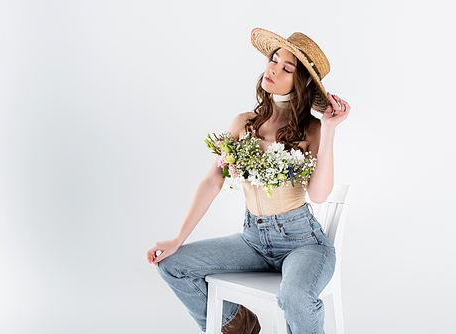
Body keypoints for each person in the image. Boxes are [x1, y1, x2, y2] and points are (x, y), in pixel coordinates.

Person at [146, 28, 350, 334]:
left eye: (286, 67)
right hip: (252, 239)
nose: (272, 68)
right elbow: (213, 180)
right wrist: (177, 239)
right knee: (172, 265)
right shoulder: (243, 123)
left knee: (294, 298)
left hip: (303, 244)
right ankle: (239, 326)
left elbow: (319, 196)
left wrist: (330, 129)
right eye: (274, 59)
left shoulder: (312, 129)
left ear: (301, 83)